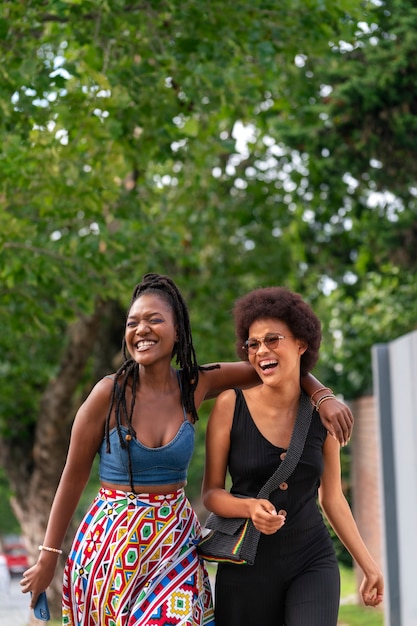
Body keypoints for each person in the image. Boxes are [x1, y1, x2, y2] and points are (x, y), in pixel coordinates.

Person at [20, 273, 353, 625]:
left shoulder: (195, 384)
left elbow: (270, 365)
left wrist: (322, 395)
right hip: (111, 547)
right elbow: (72, 477)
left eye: (154, 320)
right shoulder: (108, 394)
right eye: (133, 323)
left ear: (177, 331)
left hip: (173, 544)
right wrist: (48, 557)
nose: (141, 329)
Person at [201, 286, 383, 626]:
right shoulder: (230, 405)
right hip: (246, 569)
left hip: (311, 561)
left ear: (301, 344)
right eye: (252, 344)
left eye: (273, 340)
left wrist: (369, 565)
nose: (261, 351)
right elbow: (211, 494)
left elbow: (332, 498)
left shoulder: (322, 414)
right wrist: (249, 507)